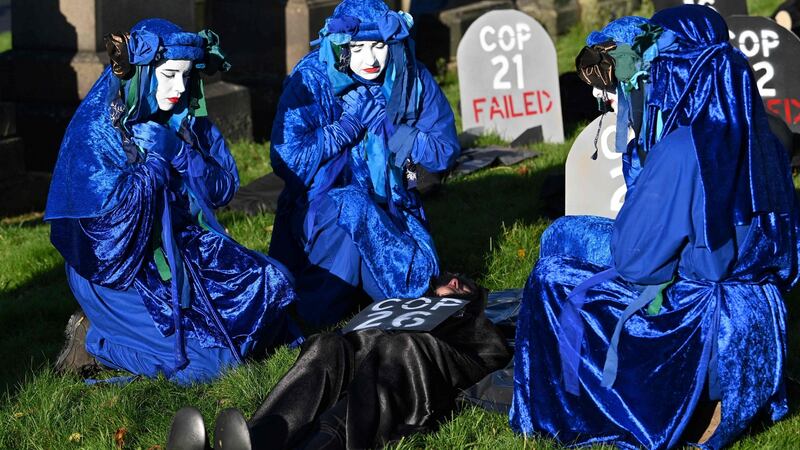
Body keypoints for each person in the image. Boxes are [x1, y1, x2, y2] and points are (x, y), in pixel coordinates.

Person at [510, 6, 800, 449]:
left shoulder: (681, 150)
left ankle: (563, 407)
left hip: (699, 336)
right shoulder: (767, 138)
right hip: (759, 323)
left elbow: (635, 262)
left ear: (670, 70)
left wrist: (636, 167)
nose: (615, 96)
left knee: (553, 271)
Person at [45, 19, 301, 385]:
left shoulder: (184, 119)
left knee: (275, 288)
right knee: (211, 366)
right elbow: (103, 239)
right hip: (118, 271)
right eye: (167, 75)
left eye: (184, 76)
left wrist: (180, 153)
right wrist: (152, 169)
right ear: (142, 70)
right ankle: (97, 340)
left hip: (187, 247)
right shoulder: (97, 127)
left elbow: (223, 188)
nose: (178, 88)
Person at [268, 0, 460, 329]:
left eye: (378, 45)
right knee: (349, 217)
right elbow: (287, 160)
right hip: (325, 211)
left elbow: (444, 152)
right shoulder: (312, 78)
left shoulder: (410, 74)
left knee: (418, 280)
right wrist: (346, 127)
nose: (369, 59)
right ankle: (319, 306)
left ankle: (376, 290)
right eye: (357, 47)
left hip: (393, 206)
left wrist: (393, 130)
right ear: (340, 45)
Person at [166, 273, 511, 450]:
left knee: (400, 350)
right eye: (449, 279)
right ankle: (257, 439)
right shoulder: (407, 306)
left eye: (463, 284)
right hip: (370, 348)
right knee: (326, 345)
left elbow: (490, 354)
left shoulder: (475, 321)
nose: (454, 281)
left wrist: (460, 318)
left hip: (410, 362)